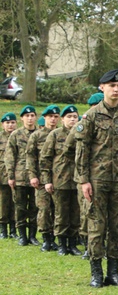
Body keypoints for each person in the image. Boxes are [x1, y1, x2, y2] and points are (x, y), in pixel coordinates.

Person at [75, 69, 118, 287]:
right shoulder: (92, 116)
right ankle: (96, 273)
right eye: (111, 85)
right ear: (102, 87)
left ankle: (114, 272)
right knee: (96, 227)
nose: (115, 89)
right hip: (97, 180)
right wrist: (84, 180)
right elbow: (82, 150)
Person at [39, 105, 81, 256]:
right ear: (62, 119)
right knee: (61, 213)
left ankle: (73, 243)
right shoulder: (55, 135)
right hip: (60, 180)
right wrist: (47, 180)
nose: (72, 120)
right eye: (69, 117)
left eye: (75, 117)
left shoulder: (81, 134)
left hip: (77, 180)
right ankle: (62, 243)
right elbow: (45, 159)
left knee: (76, 213)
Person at [5, 105, 40, 246]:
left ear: (36, 117)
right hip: (19, 176)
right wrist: (10, 176)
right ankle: (22, 236)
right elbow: (10, 156)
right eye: (27, 116)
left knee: (34, 206)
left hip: (35, 176)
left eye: (32, 115)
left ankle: (32, 235)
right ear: (22, 118)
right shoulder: (16, 134)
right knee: (20, 207)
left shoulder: (40, 134)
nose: (30, 118)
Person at [27, 105, 60, 252]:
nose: (53, 119)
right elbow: (30, 156)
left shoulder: (61, 134)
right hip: (41, 179)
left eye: (55, 116)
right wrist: (33, 175)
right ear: (45, 118)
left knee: (58, 210)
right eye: (50, 116)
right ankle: (47, 238)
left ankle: (57, 238)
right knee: (44, 209)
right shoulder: (37, 135)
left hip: (60, 178)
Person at [0, 113, 18, 239]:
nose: (10, 125)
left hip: (17, 173)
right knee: (3, 202)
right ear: (3, 124)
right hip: (2, 174)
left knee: (15, 202)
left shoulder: (18, 136)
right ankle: (3, 229)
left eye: (12, 122)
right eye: (7, 123)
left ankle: (13, 228)